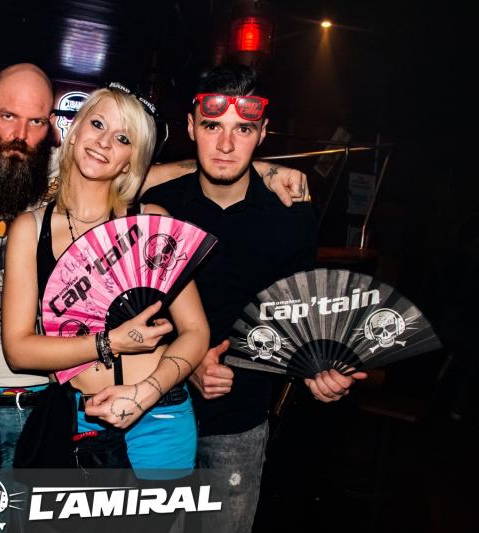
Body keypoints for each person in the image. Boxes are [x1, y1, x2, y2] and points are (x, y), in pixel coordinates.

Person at [0, 63, 310, 469]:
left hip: (117, 410)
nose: (21, 133)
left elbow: (193, 321)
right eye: (9, 116)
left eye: (36, 121)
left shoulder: (141, 214)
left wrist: (258, 167)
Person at [140, 63, 366, 532]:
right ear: (190, 128)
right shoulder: (160, 204)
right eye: (212, 127)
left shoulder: (291, 215)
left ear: (262, 133)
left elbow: (296, 314)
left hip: (239, 422)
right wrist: (185, 361)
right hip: (154, 412)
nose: (225, 145)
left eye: (242, 130)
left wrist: (319, 369)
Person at [1, 84, 209, 479]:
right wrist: (110, 342)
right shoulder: (30, 229)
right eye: (97, 124)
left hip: (160, 415)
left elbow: (196, 331)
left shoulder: (152, 221)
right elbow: (18, 349)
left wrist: (146, 392)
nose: (104, 142)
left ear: (131, 161)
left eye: (123, 138)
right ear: (73, 132)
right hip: (82, 419)